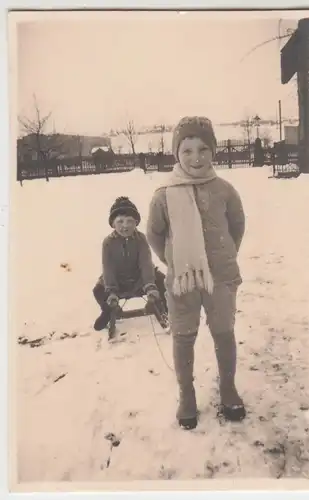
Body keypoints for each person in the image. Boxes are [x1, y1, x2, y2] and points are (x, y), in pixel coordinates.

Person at [146, 116, 246, 430]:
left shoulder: (225, 190)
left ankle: (228, 387)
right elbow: (154, 234)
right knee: (183, 336)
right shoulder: (164, 195)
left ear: (214, 151)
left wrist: (223, 259)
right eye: (187, 150)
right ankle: (186, 394)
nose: (196, 157)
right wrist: (175, 263)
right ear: (176, 153)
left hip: (221, 278)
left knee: (223, 332)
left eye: (203, 149)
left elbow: (237, 227)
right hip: (182, 281)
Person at [93, 196, 168, 332]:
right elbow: (108, 268)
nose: (125, 226)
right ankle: (107, 311)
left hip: (139, 279)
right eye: (120, 221)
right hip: (118, 281)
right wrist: (111, 290)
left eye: (130, 221)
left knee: (163, 281)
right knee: (98, 290)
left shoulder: (140, 239)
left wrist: (150, 285)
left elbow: (145, 263)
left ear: (136, 223)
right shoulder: (108, 243)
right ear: (113, 224)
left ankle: (165, 308)